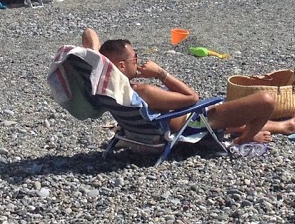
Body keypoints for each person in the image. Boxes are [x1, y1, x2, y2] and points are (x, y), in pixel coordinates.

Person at [79, 28, 280, 145]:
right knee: (265, 100)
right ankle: (243, 140)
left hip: (180, 121)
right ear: (121, 65)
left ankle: (289, 125)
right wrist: (160, 74)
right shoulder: (142, 91)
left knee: (241, 117)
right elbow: (192, 98)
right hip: (195, 123)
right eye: (135, 57)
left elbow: (89, 33)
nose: (138, 60)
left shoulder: (107, 86)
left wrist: (99, 59)